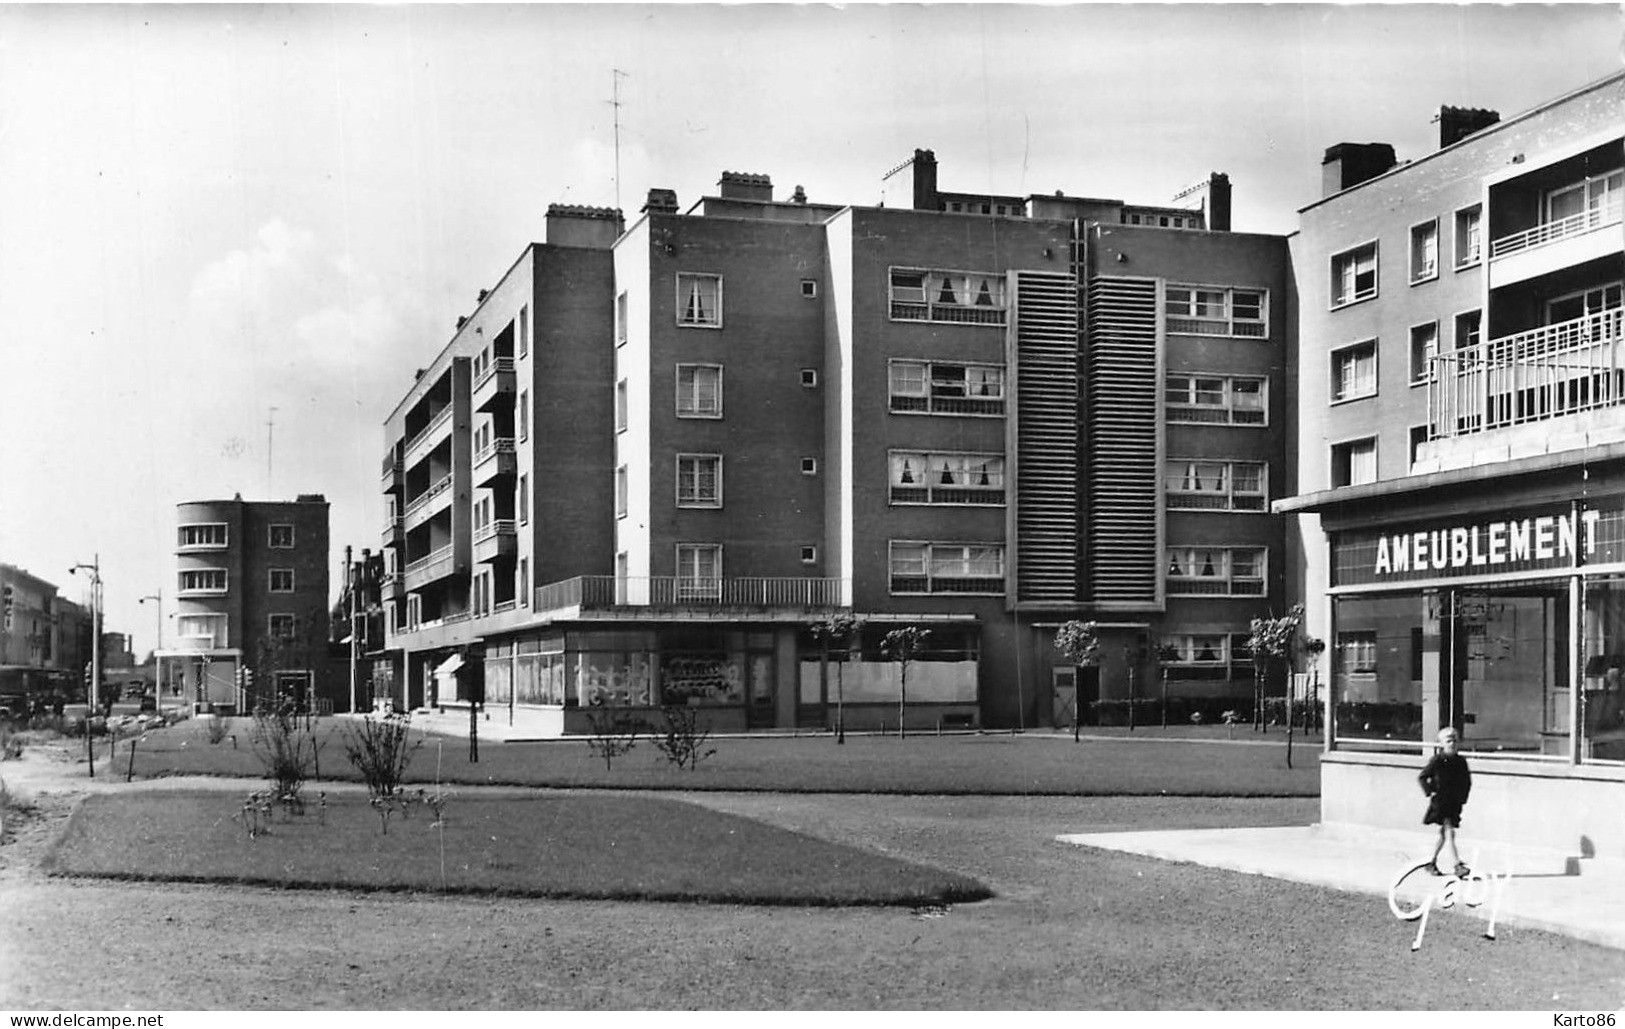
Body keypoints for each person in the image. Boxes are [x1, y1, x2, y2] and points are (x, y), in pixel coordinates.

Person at [1419, 725, 1472, 877]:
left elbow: (1467, 781)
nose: (1452, 743)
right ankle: (1457, 865)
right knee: (1450, 832)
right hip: (1441, 802)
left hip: (1454, 802)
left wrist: (1463, 798)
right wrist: (1430, 791)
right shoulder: (1437, 760)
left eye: (1455, 740)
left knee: (1444, 835)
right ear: (1442, 743)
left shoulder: (1461, 761)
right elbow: (1423, 776)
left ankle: (1431, 862)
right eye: (1449, 741)